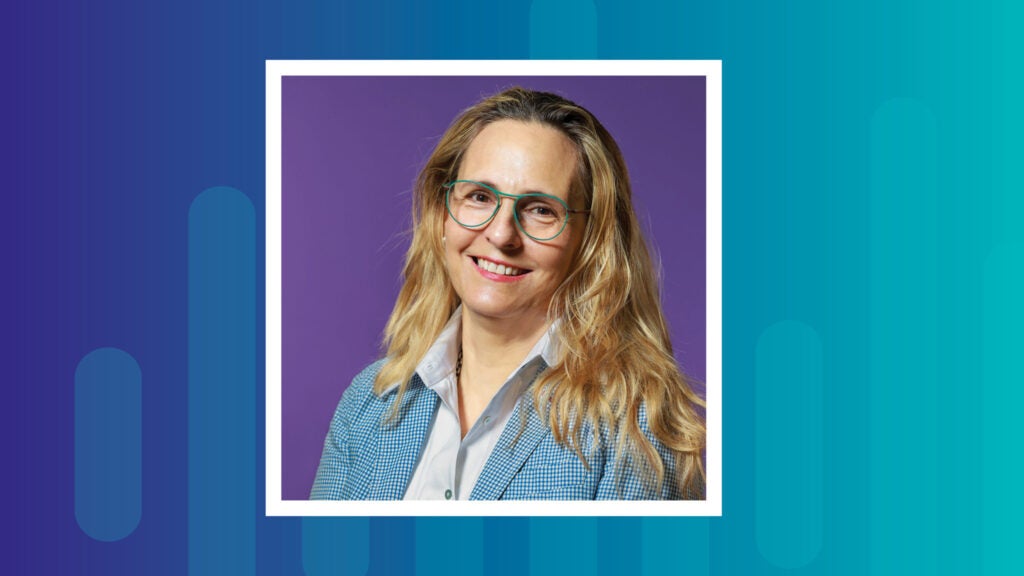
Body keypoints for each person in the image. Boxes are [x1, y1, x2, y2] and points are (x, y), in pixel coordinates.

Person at [311, 87, 705, 500]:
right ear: (442, 214)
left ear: (590, 241)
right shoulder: (368, 402)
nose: (501, 234)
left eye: (540, 210)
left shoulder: (637, 429)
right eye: (479, 197)